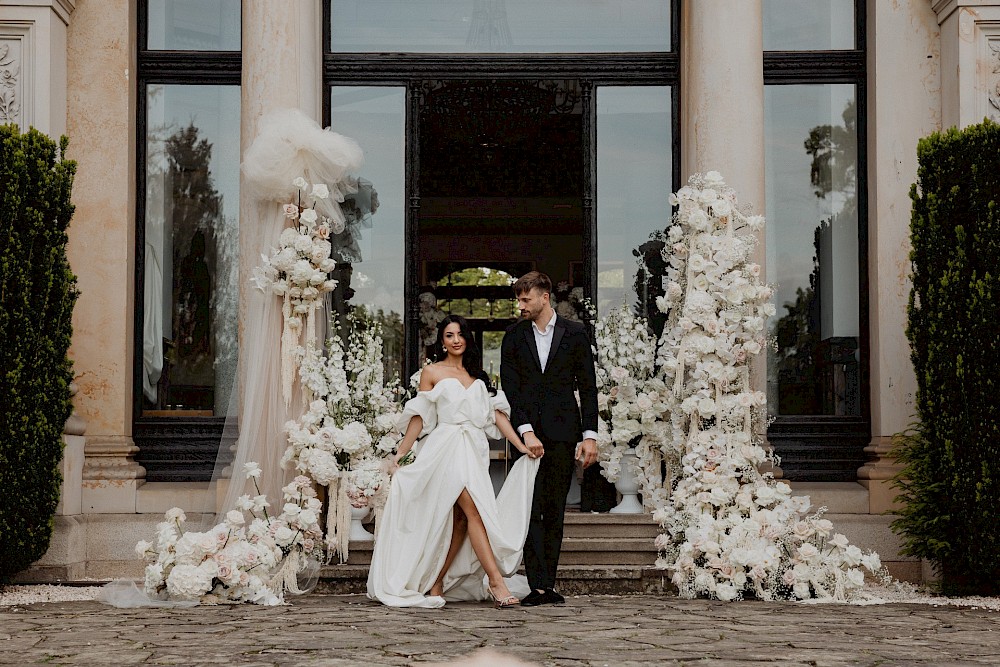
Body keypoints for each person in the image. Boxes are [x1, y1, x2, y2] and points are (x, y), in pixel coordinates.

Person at [367, 315, 542, 608]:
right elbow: (420, 416)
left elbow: (496, 416)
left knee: (461, 519)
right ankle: (496, 582)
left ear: (467, 339)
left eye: (460, 334)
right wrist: (401, 453)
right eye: (449, 335)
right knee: (473, 510)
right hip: (444, 448)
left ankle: (437, 581)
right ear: (442, 340)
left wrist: (521, 446)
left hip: (473, 450)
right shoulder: (432, 372)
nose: (456, 339)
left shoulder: (478, 377)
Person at [500, 271, 600, 607]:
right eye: (519, 299)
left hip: (562, 432)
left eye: (526, 299)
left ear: (545, 297)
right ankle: (535, 584)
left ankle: (548, 584)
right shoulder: (513, 336)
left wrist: (589, 436)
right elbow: (511, 389)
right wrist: (525, 431)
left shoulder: (575, 333)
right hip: (525, 434)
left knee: (554, 508)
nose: (521, 305)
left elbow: (587, 386)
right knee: (529, 509)